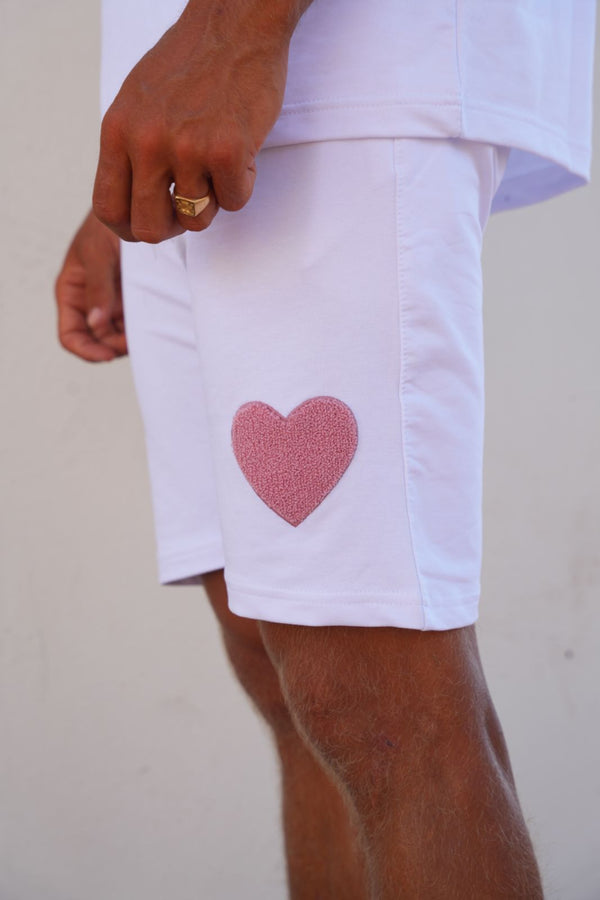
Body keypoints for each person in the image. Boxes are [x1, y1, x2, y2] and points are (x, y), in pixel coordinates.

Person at [55, 1, 595, 896]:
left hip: (325, 69)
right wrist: (136, 152)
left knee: (381, 707)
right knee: (286, 676)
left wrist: (236, 31)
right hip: (194, 115)